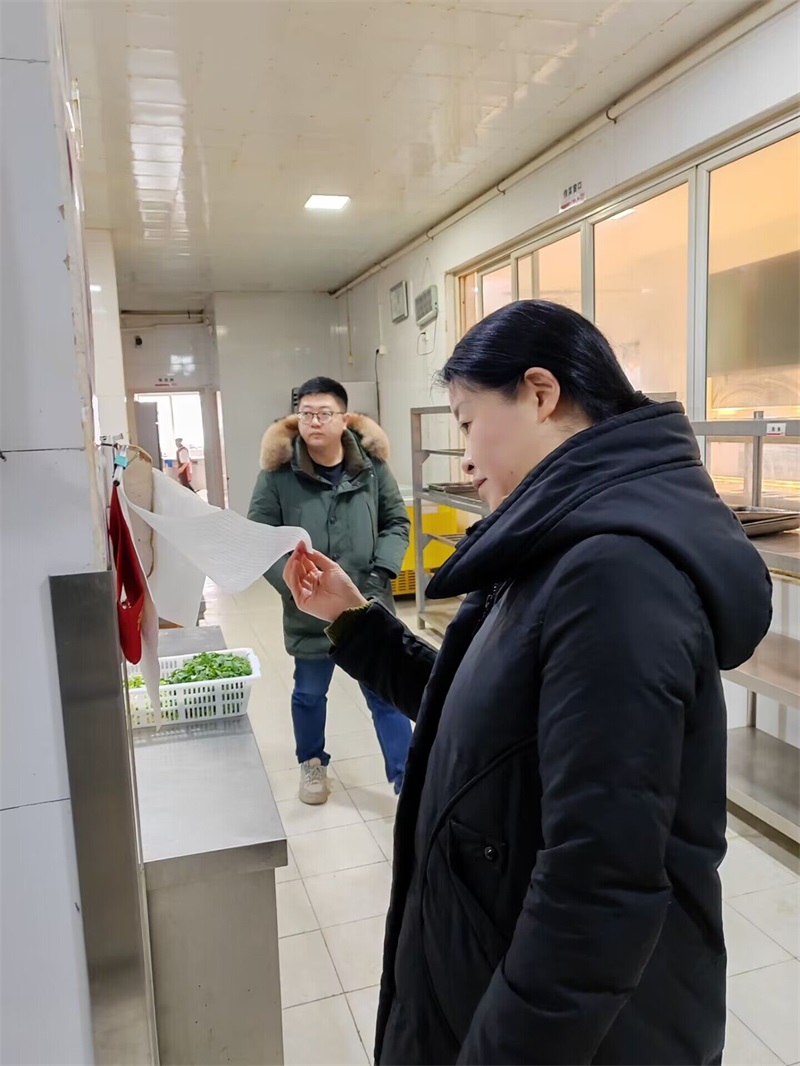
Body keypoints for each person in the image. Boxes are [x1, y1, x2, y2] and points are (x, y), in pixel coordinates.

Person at [282, 303, 773, 1065]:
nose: (465, 460)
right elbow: (488, 725)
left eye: (468, 422)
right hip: (491, 955)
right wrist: (356, 621)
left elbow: (597, 887)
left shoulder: (616, 575)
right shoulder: (553, 543)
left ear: (541, 394)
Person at [248, 376, 412, 805]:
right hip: (309, 609)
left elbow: (396, 522)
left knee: (385, 694)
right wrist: (292, 585)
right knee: (308, 692)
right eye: (306, 413)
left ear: (344, 419)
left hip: (367, 602)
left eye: (324, 413)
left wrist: (380, 573)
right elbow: (258, 537)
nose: (314, 422)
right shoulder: (278, 474)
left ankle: (410, 779)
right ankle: (312, 763)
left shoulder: (371, 468)